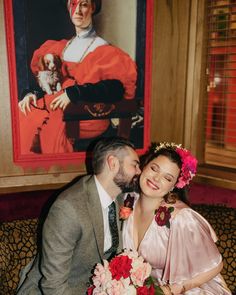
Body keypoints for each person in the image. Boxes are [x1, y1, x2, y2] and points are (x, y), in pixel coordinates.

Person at [16, 137, 141, 294]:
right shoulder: (68, 209)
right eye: (135, 165)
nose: (139, 171)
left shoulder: (119, 197)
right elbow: (53, 286)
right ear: (113, 163)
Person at [18, 0, 137, 154]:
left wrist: (73, 93)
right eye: (73, 4)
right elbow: (51, 83)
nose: (78, 10)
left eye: (84, 4)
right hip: (58, 107)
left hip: (87, 115)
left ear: (93, 7)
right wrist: (31, 94)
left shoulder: (103, 49)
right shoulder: (60, 47)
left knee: (50, 126)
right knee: (24, 115)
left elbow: (115, 89)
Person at [122, 142, 232, 294]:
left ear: (173, 186)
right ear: (144, 166)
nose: (156, 178)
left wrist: (174, 289)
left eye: (167, 178)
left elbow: (216, 266)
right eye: (154, 168)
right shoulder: (127, 202)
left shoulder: (181, 218)